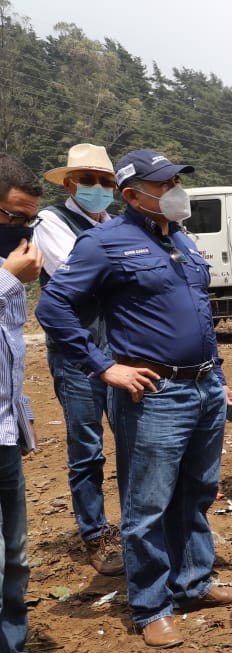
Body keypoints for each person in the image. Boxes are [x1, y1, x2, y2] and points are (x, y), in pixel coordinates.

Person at [37, 149, 232, 650]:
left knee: (197, 492)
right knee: (148, 503)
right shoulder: (104, 243)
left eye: (178, 178)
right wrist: (104, 366)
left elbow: (201, 314)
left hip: (202, 387)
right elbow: (54, 307)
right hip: (155, 393)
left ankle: (193, 582)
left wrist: (218, 376)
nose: (176, 189)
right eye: (165, 183)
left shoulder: (181, 239)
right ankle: (151, 604)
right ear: (133, 196)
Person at [0, 153, 91, 653]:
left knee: (14, 558)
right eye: (13, 217)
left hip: (3, 432)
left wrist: (22, 419)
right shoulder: (10, 268)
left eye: (29, 220)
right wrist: (10, 278)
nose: (24, 232)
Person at [33, 144, 122, 575]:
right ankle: (96, 533)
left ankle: (138, 526)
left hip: (123, 352)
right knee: (87, 448)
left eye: (106, 181)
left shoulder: (118, 223)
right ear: (70, 184)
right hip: (79, 354)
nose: (99, 189)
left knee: (135, 441)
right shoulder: (50, 221)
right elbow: (82, 275)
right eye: (89, 181)